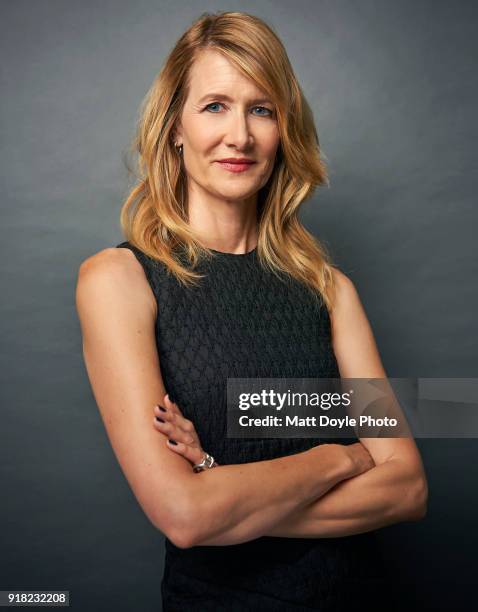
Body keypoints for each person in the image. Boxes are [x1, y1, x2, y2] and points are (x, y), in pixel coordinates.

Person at [75, 11, 428, 611]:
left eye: (261, 109)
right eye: (214, 105)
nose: (238, 135)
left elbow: (408, 488)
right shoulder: (118, 281)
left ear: (282, 130)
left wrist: (221, 489)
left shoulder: (329, 288)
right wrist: (340, 457)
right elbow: (184, 517)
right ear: (175, 127)